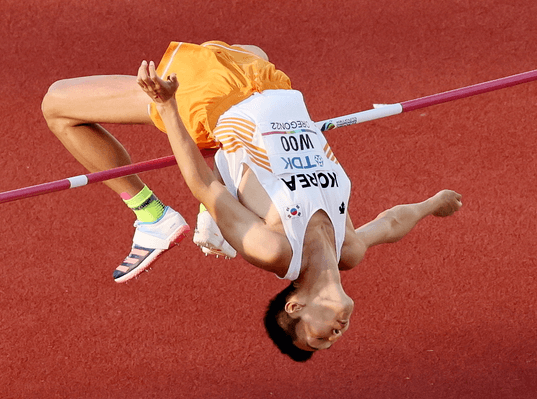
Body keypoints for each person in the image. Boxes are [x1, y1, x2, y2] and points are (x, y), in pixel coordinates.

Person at [42, 41, 463, 361]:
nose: (335, 334)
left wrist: (168, 107)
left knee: (57, 103)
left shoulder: (274, 250)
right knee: (246, 47)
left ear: (296, 305)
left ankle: (150, 214)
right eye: (332, 339)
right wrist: (432, 204)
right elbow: (390, 224)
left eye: (319, 336)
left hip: (212, 104)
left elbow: (204, 185)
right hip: (270, 87)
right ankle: (214, 213)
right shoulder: (348, 250)